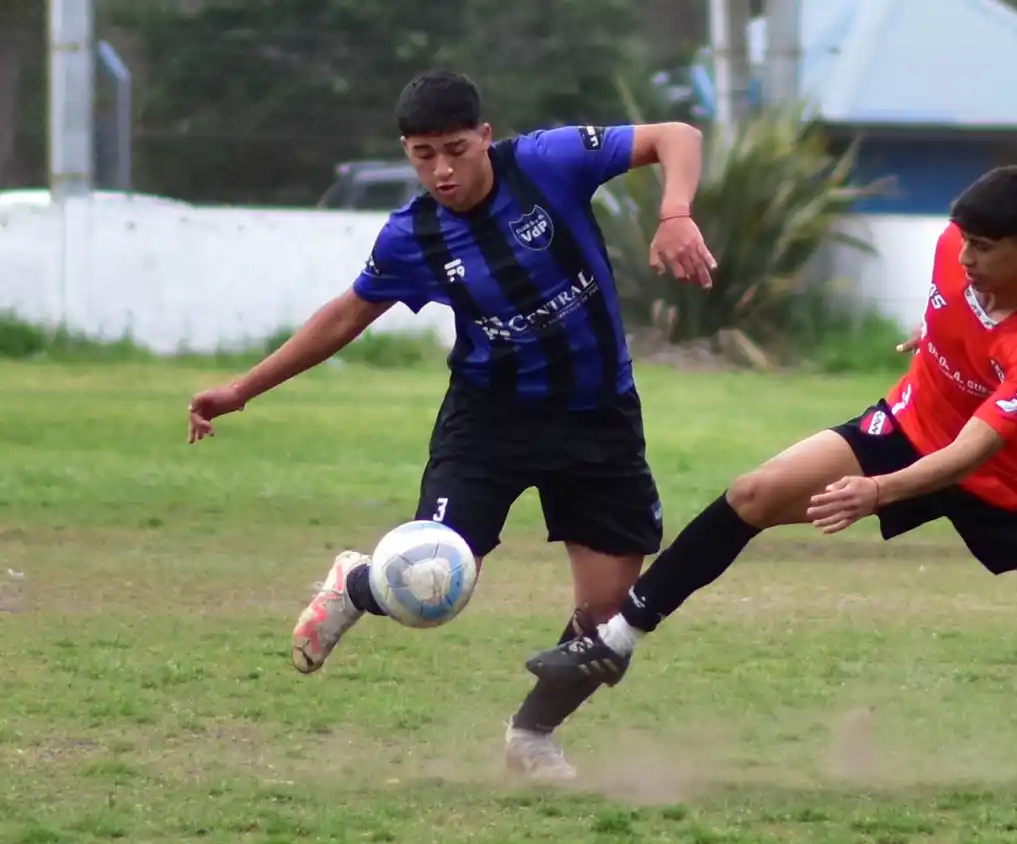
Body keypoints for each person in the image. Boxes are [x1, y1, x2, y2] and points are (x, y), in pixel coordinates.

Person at [526, 166, 1017, 799]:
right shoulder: (957, 254)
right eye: (964, 241)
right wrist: (936, 336)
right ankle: (615, 642)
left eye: (983, 247)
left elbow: (972, 454)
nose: (965, 256)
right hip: (907, 424)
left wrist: (879, 492)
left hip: (999, 480)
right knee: (752, 495)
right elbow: (954, 310)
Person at [184, 70, 716, 782]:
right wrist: (243, 389)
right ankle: (359, 585)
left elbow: (677, 136)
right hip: (490, 419)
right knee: (432, 583)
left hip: (600, 418)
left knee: (607, 613)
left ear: (486, 138)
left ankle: (532, 735)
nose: (441, 170)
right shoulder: (414, 236)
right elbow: (347, 314)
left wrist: (674, 212)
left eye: (455, 149)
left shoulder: (548, 163)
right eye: (421, 153)